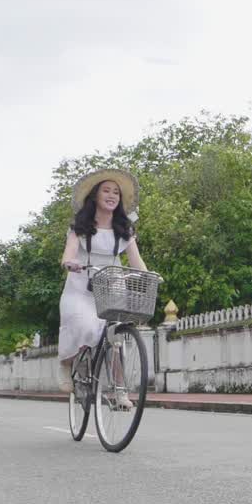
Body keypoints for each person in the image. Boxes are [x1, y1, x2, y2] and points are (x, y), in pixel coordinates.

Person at [58, 169, 148, 394]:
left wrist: (148, 276)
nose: (112, 195)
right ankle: (68, 363)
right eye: (106, 191)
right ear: (95, 197)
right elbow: (67, 255)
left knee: (115, 341)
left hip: (111, 288)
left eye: (116, 192)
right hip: (79, 289)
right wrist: (70, 263)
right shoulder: (79, 229)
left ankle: (120, 391)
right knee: (86, 327)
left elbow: (138, 263)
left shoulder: (124, 230)